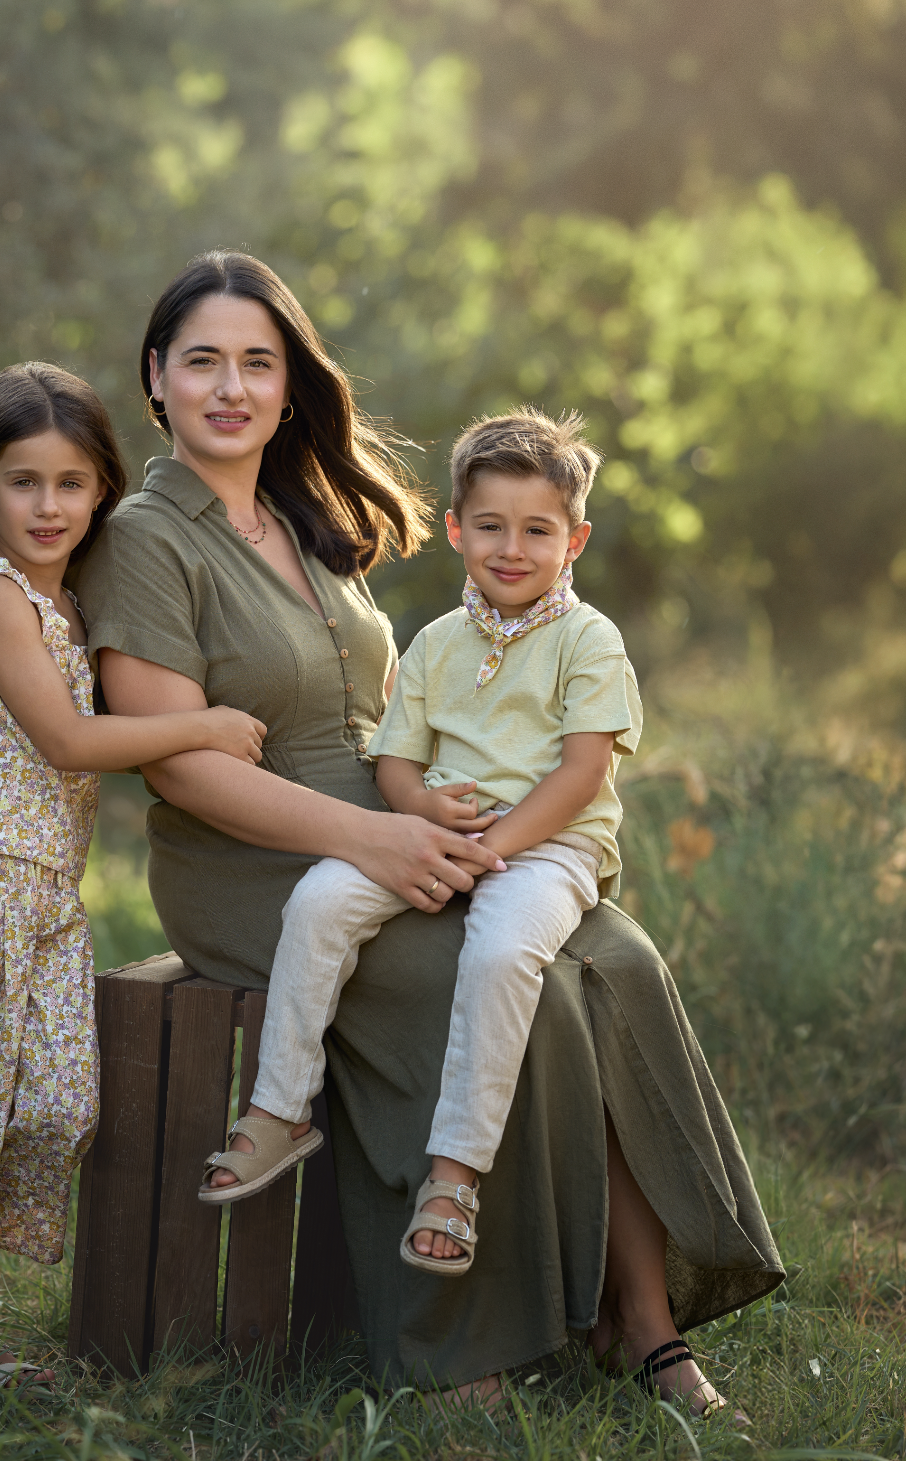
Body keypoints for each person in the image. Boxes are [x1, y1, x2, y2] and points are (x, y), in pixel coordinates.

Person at [75, 251, 783, 1415]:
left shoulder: (298, 521)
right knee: (499, 985)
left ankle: (640, 1318)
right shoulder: (147, 537)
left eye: (258, 362)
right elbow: (180, 764)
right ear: (155, 377)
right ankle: (460, 1343)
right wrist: (372, 842)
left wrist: (441, 816)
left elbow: (408, 704)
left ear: (291, 384)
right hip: (255, 861)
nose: (229, 387)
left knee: (608, 962)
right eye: (201, 360)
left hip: (389, 826)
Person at [0, 362, 265, 1390]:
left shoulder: (67, 600)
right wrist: (200, 722)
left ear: (102, 489)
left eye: (72, 483)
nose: (49, 505)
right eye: (24, 481)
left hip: (42, 888)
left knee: (62, 1102)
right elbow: (67, 738)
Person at [199, 409, 640, 1292]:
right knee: (322, 897)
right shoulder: (437, 643)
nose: (511, 548)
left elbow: (583, 772)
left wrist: (497, 848)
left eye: (537, 530)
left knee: (504, 951)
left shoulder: (587, 641)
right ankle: (279, 1107)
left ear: (575, 540)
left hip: (548, 848)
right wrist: (423, 814)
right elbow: (396, 763)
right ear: (455, 529)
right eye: (490, 526)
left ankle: (454, 1175)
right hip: (442, 836)